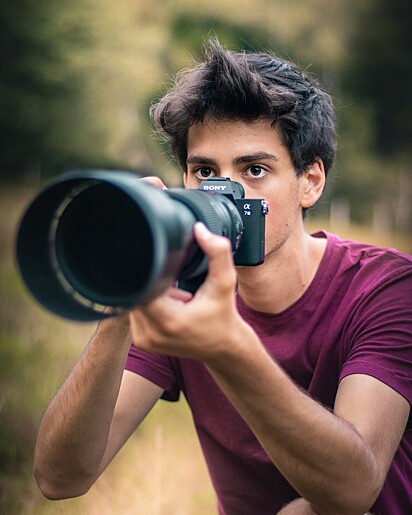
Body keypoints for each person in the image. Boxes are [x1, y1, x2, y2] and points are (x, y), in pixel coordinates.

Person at [33, 39, 411, 514]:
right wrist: (125, 290)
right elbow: (59, 476)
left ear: (310, 181)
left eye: (254, 170)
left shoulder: (385, 288)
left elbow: (352, 492)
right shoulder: (178, 295)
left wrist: (228, 347)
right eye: (204, 171)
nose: (225, 193)